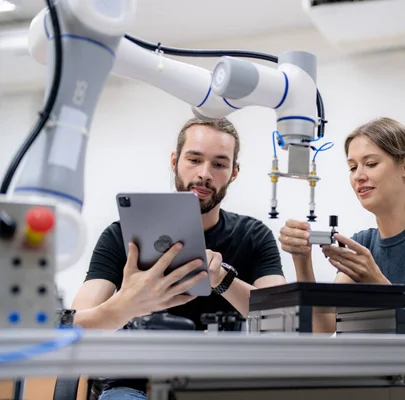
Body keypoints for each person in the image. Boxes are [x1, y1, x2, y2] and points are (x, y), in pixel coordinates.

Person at [71, 117, 287, 400]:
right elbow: (74, 328)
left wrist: (224, 281)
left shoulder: (252, 235)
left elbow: (283, 320)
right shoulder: (122, 234)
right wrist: (126, 304)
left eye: (219, 164)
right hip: (133, 388)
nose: (204, 174)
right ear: (175, 161)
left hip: (219, 387)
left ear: (234, 172)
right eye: (194, 160)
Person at [278, 116, 405, 400]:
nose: (358, 175)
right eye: (352, 167)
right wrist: (301, 259)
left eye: (370, 164)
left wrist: (381, 287)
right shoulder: (363, 243)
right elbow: (321, 329)